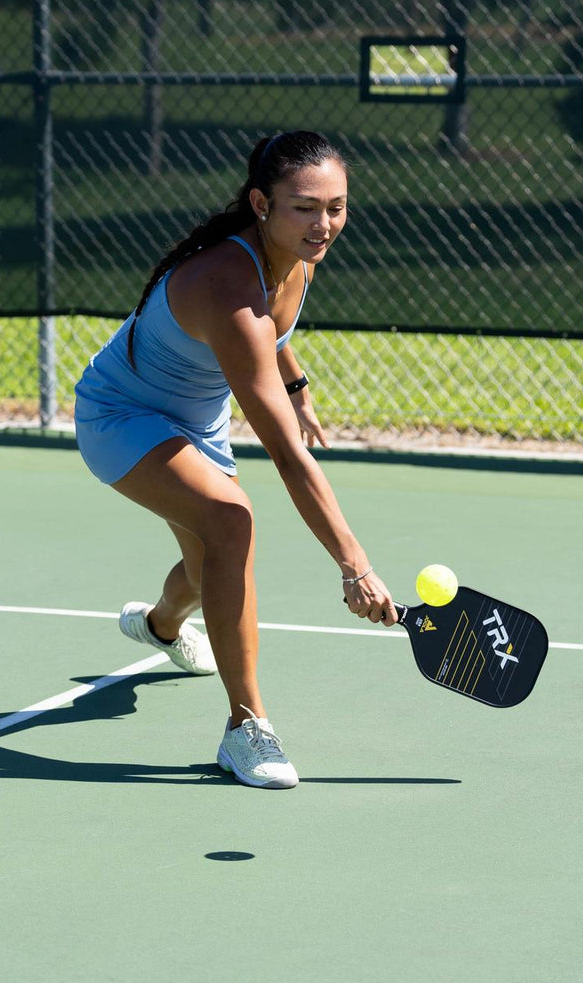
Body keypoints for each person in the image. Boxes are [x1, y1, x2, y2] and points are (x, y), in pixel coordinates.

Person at [73, 130, 397, 790]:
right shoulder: (226, 280)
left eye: (336, 206)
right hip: (122, 416)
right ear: (261, 204)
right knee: (230, 520)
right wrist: (354, 567)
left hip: (196, 418)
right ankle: (245, 727)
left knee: (207, 563)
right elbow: (284, 452)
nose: (324, 223)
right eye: (305, 207)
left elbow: (270, 331)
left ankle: (162, 626)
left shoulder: (297, 260)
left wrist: (298, 387)